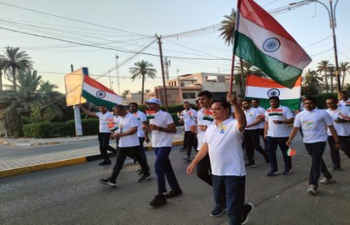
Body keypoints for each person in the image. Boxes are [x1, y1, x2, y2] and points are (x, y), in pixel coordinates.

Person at [187, 93, 253, 225]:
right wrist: (194, 162)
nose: (213, 111)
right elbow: (205, 146)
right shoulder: (211, 127)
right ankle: (243, 209)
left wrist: (234, 103)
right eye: (212, 109)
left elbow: (242, 122)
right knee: (220, 199)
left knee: (232, 208)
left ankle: (236, 216)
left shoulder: (233, 124)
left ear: (227, 110)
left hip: (233, 172)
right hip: (216, 172)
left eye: (217, 108)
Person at [287, 96, 341, 195]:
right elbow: (295, 128)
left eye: (310, 103)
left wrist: (337, 142)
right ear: (304, 104)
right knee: (318, 159)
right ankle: (328, 176)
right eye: (306, 103)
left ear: (315, 104)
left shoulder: (322, 113)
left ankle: (313, 184)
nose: (308, 105)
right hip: (307, 141)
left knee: (315, 161)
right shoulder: (300, 115)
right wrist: (290, 139)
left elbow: (331, 128)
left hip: (320, 140)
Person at [99, 105, 151, 187]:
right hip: (122, 144)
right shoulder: (119, 118)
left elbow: (134, 130)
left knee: (140, 159)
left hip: (133, 143)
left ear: (123, 110)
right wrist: (113, 135)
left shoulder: (131, 117)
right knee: (119, 162)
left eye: (118, 111)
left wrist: (120, 134)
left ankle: (146, 173)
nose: (117, 113)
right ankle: (112, 180)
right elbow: (117, 129)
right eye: (116, 112)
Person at [143, 98, 182, 207]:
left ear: (157, 105)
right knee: (166, 168)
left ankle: (161, 193)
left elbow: (173, 130)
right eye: (148, 104)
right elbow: (152, 129)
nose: (149, 106)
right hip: (156, 144)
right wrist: (147, 129)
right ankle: (176, 189)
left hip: (165, 144)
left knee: (158, 167)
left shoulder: (165, 115)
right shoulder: (150, 115)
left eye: (151, 104)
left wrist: (159, 128)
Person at [264, 96, 294, 176]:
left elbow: (291, 119)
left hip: (283, 135)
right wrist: (265, 133)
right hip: (271, 135)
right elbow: (266, 123)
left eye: (275, 101)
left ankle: (288, 168)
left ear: (278, 102)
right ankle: (274, 169)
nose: (273, 103)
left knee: (286, 153)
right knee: (271, 153)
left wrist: (281, 122)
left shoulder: (285, 109)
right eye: (271, 101)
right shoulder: (267, 110)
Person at [242, 99, 269, 167]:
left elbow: (259, 120)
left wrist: (250, 125)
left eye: (245, 103)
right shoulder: (243, 112)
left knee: (256, 146)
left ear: (249, 104)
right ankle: (251, 162)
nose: (244, 105)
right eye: (243, 104)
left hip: (254, 130)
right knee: (248, 147)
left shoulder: (255, 110)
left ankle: (266, 156)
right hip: (246, 131)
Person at [325, 97, 350, 170]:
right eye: (328, 103)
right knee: (333, 149)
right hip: (331, 134)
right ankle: (336, 165)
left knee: (346, 148)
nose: (330, 105)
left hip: (343, 133)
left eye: (332, 103)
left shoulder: (344, 109)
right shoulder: (326, 112)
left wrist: (342, 121)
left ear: (336, 102)